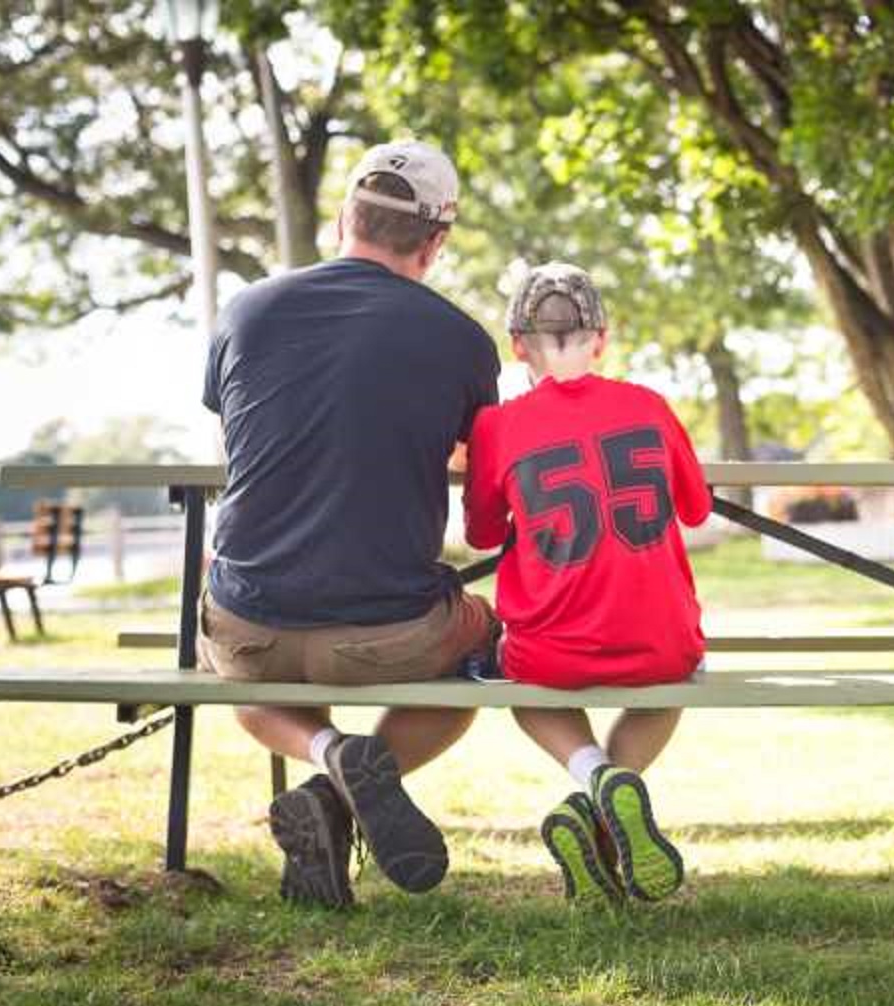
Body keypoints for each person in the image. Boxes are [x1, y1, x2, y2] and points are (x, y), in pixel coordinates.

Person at [198, 141, 500, 909]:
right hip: (391, 633)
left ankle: (330, 760)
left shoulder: (247, 310)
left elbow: (238, 429)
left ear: (344, 219)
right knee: (481, 652)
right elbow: (478, 457)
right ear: (435, 244)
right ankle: (342, 789)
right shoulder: (462, 340)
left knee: (231, 673)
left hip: (249, 623)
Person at [463, 262, 711, 905]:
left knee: (523, 688)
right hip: (664, 643)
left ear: (517, 345)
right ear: (601, 338)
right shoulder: (649, 407)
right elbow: (696, 509)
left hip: (550, 649)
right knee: (668, 688)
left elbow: (486, 535)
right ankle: (608, 808)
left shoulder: (496, 426)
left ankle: (595, 776)